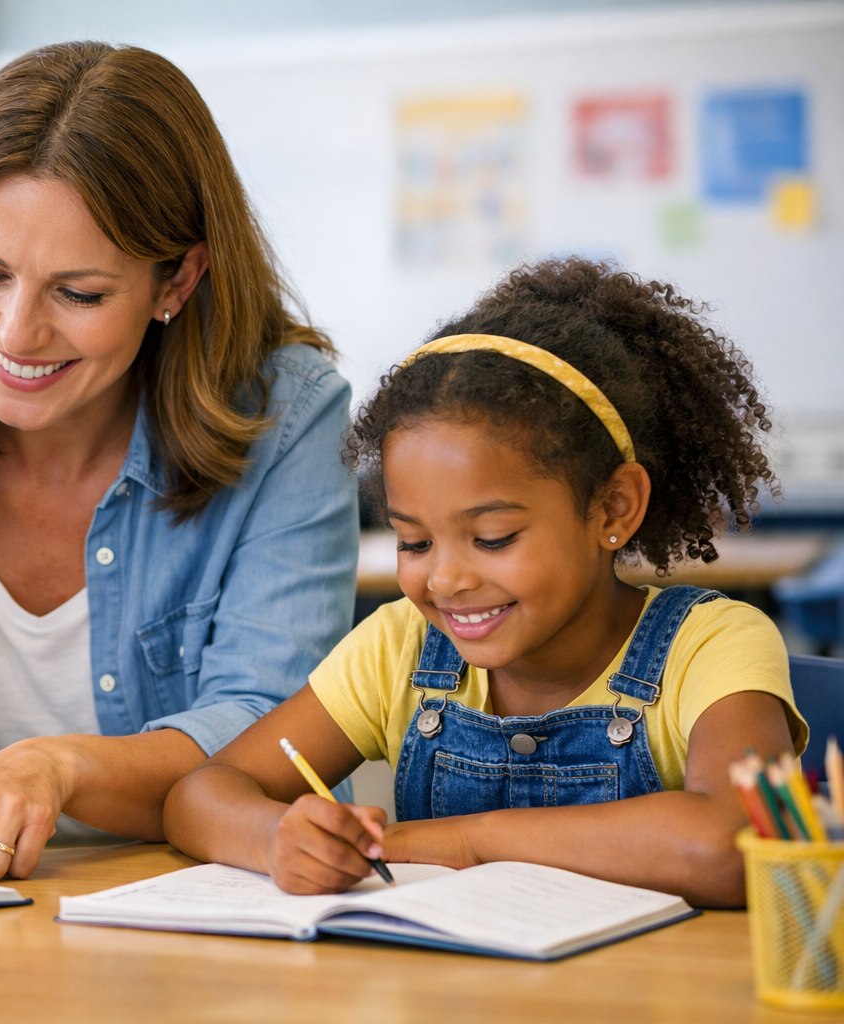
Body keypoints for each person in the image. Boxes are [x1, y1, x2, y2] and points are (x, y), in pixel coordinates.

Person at [0, 40, 360, 880]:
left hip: (171, 917)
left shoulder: (287, 419)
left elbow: (269, 731)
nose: (15, 333)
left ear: (176, 282)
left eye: (79, 294)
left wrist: (60, 766)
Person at [162, 256, 807, 908]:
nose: (444, 578)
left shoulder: (712, 646)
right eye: (414, 540)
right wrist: (275, 836)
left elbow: (733, 844)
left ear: (613, 509)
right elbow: (198, 795)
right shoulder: (401, 648)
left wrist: (464, 843)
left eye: (493, 538)